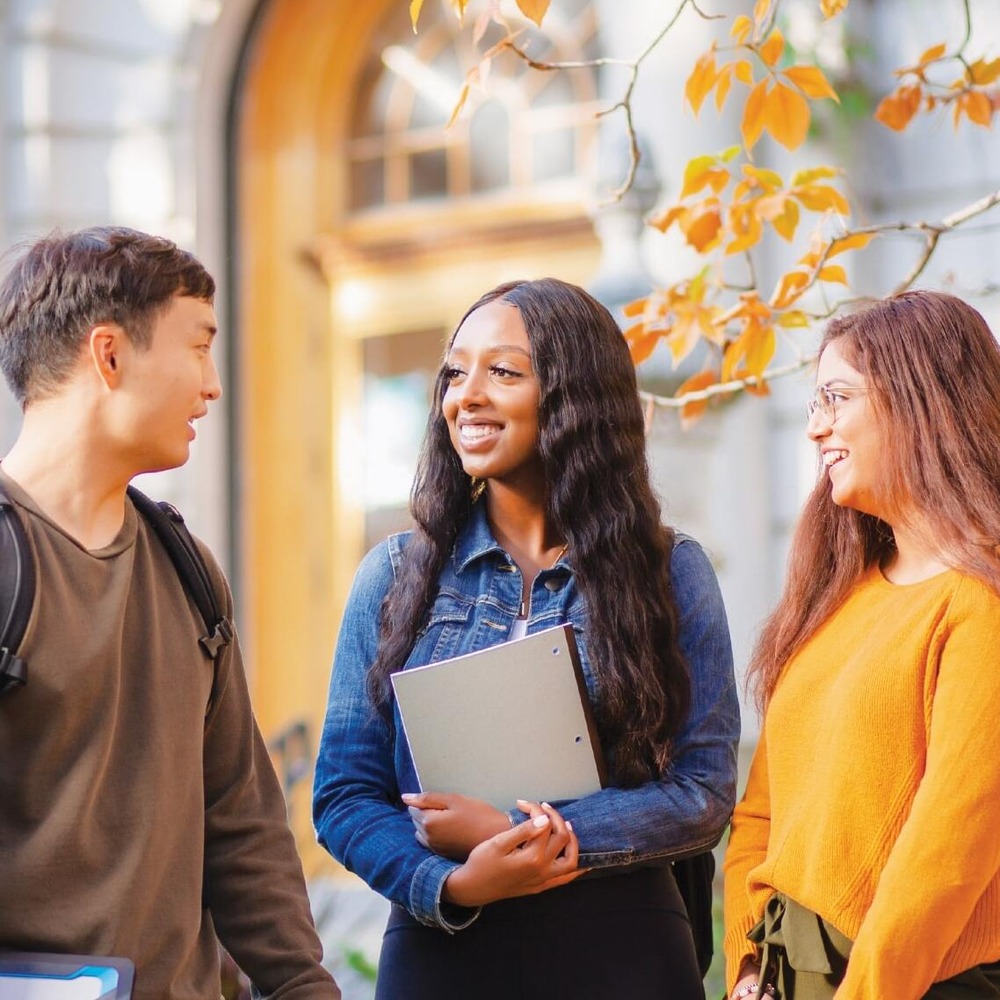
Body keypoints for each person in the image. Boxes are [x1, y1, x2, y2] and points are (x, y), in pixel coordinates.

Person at [313, 277, 740, 1000]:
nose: (465, 395)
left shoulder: (668, 571)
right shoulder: (391, 575)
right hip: (444, 947)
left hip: (622, 951)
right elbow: (345, 793)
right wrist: (452, 880)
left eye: (503, 372)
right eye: (456, 372)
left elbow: (702, 792)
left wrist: (522, 831)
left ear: (575, 397)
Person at [0, 227, 341, 1000]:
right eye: (197, 347)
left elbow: (243, 824)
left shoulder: (186, 569)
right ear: (110, 355)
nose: (212, 385)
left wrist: (303, 991)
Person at [723, 290, 1000, 1000]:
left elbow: (947, 857)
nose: (816, 428)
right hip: (785, 974)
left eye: (836, 398)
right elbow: (761, 811)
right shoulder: (836, 599)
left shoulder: (979, 604)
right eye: (814, 405)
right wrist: (748, 964)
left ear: (920, 400)